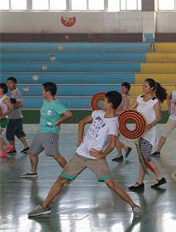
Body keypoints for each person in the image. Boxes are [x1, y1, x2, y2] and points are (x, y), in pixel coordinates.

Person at [27, 91, 142, 219]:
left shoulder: (113, 123)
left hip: (95, 159)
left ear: (110, 104)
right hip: (80, 155)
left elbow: (112, 144)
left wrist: (101, 154)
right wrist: (80, 139)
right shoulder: (97, 113)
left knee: (111, 184)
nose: (102, 102)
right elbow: (82, 122)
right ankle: (44, 206)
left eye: (104, 101)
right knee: (61, 180)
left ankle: (134, 206)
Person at [21, 82, 72, 178]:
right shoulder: (45, 101)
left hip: (50, 133)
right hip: (41, 131)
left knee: (55, 155)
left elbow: (68, 114)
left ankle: (70, 173)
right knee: (32, 152)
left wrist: (58, 121)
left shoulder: (56, 104)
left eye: (43, 90)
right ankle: (33, 172)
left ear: (48, 92)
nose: (41, 92)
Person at [127, 79, 168, 192]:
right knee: (143, 158)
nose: (143, 87)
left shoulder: (155, 101)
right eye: (143, 85)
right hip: (139, 131)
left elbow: (159, 117)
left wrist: (149, 126)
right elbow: (129, 110)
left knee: (144, 157)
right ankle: (141, 182)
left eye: (145, 86)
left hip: (149, 133)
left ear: (152, 88)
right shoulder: (139, 98)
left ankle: (158, 177)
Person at [5, 77, 30, 154]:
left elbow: (20, 104)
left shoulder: (16, 93)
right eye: (7, 83)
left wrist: (10, 107)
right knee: (19, 133)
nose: (8, 84)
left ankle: (12, 149)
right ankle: (27, 147)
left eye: (10, 83)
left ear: (15, 84)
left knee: (9, 133)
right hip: (17, 117)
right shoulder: (12, 93)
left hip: (14, 117)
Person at [112, 82, 132, 162]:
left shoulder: (125, 98)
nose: (122, 89)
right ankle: (124, 150)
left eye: (124, 88)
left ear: (127, 89)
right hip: (116, 119)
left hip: (119, 120)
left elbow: (124, 111)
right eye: (121, 87)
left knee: (114, 138)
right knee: (114, 138)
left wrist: (114, 113)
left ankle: (121, 154)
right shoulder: (119, 96)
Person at [0, 83, 14, 158]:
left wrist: (3, 115)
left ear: (2, 89)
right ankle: (7, 146)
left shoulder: (5, 98)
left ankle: (2, 152)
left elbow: (11, 108)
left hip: (3, 119)